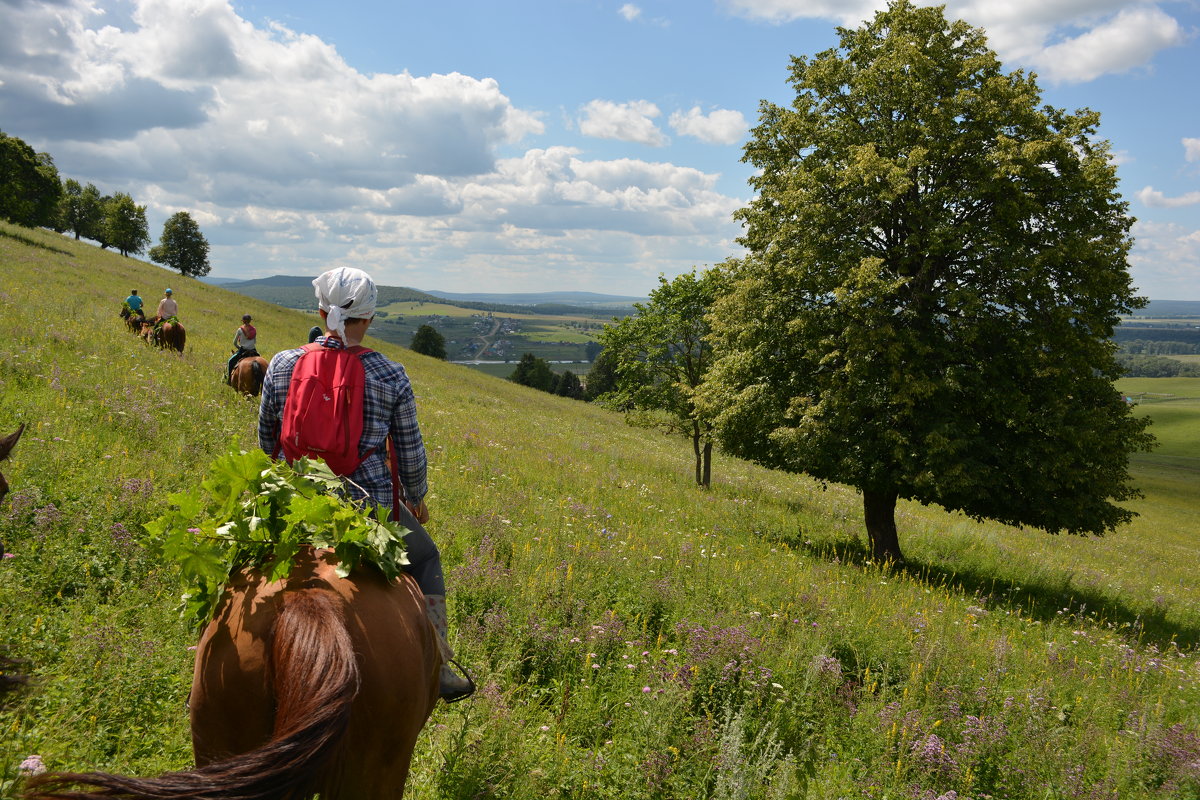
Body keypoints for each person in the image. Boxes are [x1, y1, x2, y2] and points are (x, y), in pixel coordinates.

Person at [258, 266, 474, 702]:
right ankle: (438, 666)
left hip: (293, 501)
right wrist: (416, 498)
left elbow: (267, 441)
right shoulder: (390, 374)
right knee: (427, 557)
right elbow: (410, 452)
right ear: (370, 317)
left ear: (320, 310)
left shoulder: (282, 363)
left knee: (239, 562)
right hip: (366, 509)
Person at [225, 314, 259, 382]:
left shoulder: (240, 329)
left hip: (243, 350)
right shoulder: (254, 329)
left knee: (230, 361)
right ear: (250, 321)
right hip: (253, 350)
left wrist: (239, 347)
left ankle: (228, 380)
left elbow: (234, 342)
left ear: (243, 321)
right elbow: (254, 342)